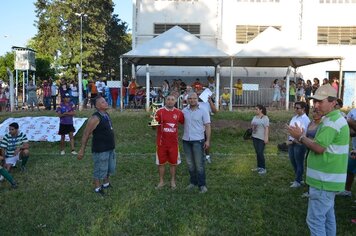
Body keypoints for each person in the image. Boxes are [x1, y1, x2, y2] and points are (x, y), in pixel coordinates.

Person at [287, 84, 349, 236]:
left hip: (324, 180)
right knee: (328, 217)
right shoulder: (331, 120)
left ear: (334, 102)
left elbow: (319, 147)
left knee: (315, 220)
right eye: (315, 101)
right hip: (327, 180)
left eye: (321, 101)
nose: (316, 105)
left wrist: (300, 137)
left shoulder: (332, 122)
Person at [78, 96, 116, 196]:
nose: (106, 103)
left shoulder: (106, 114)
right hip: (100, 148)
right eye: (103, 102)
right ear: (98, 106)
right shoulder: (95, 118)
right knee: (99, 169)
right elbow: (86, 134)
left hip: (110, 147)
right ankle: (97, 188)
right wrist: (82, 149)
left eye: (105, 101)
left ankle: (106, 183)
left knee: (108, 168)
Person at [153, 95, 184, 189]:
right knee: (161, 163)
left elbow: (184, 123)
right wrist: (153, 123)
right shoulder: (159, 111)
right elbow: (153, 126)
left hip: (174, 144)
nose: (170, 101)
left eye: (172, 100)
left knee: (173, 163)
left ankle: (172, 181)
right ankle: (161, 181)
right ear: (165, 101)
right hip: (161, 143)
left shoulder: (179, 112)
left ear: (175, 101)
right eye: (168, 99)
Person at [182, 92, 211, 193]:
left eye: (194, 98)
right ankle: (193, 182)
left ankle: (202, 185)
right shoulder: (184, 111)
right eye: (190, 98)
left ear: (197, 99)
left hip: (198, 140)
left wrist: (207, 140)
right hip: (186, 140)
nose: (192, 100)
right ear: (187, 100)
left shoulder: (203, 111)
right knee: (190, 164)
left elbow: (207, 126)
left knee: (199, 164)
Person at [287, 101, 310, 188]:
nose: (295, 109)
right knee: (293, 161)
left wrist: (293, 140)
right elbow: (290, 130)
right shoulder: (295, 117)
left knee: (299, 162)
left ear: (303, 109)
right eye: (295, 107)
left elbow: (303, 133)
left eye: (298, 108)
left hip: (299, 143)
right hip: (291, 142)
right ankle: (298, 178)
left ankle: (298, 180)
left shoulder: (305, 119)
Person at [336, 107, 356, 197]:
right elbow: (351, 132)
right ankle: (347, 191)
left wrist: (349, 120)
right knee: (350, 170)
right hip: (354, 148)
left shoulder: (349, 117)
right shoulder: (353, 111)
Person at [251, 104, 269, 175]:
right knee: (257, 152)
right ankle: (259, 166)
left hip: (261, 138)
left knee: (260, 152)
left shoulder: (265, 118)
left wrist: (266, 137)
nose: (255, 110)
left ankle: (263, 168)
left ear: (261, 110)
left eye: (256, 109)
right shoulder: (255, 117)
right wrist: (253, 128)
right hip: (255, 137)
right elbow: (252, 126)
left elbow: (267, 128)